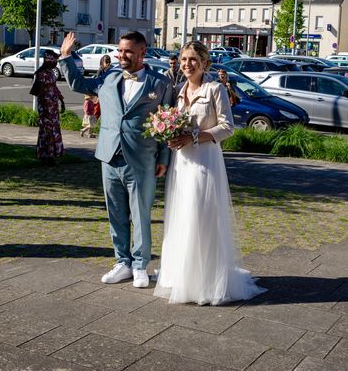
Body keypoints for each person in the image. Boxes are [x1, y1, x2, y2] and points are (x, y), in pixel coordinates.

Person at [154, 40, 265, 305]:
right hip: (182, 163)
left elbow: (228, 128)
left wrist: (194, 137)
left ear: (205, 63)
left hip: (205, 161)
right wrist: (169, 135)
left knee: (201, 216)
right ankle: (181, 275)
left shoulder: (215, 89)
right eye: (183, 59)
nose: (187, 64)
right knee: (181, 216)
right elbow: (175, 124)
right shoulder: (179, 90)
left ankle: (205, 281)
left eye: (193, 59)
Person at [59, 31, 172, 288]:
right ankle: (122, 262)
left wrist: (164, 157)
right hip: (110, 156)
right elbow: (78, 84)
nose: (122, 55)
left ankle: (141, 264)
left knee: (141, 214)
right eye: (120, 51)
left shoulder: (160, 84)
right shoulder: (108, 77)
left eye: (128, 51)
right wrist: (66, 56)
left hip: (142, 158)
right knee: (116, 213)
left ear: (143, 52)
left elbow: (167, 123)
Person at [32, 49, 65, 165]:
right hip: (46, 108)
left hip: (53, 108)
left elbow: (54, 88)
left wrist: (61, 100)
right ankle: (46, 156)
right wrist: (44, 109)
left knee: (54, 130)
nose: (56, 63)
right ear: (49, 61)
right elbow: (40, 93)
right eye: (55, 61)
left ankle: (52, 155)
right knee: (47, 131)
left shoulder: (51, 73)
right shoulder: (41, 74)